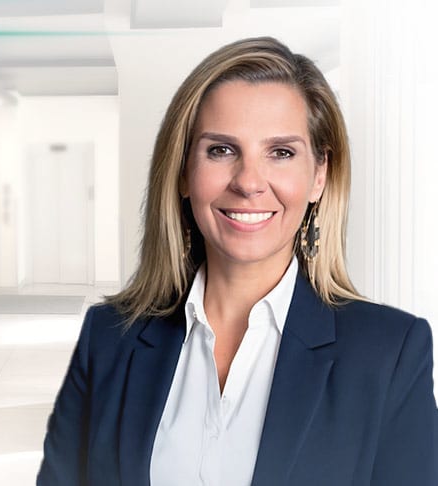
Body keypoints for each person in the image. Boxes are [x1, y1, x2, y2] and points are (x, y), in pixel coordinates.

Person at [36, 37, 437, 486]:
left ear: (319, 175)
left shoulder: (389, 353)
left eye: (281, 152)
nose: (249, 182)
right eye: (221, 150)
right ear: (184, 170)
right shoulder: (108, 338)